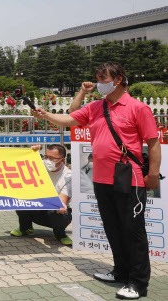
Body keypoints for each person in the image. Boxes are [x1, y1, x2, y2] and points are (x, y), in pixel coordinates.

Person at [32, 62, 160, 300]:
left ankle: (138, 282)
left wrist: (152, 174)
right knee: (113, 227)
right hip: (101, 179)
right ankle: (120, 271)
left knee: (133, 231)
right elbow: (70, 118)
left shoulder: (137, 108)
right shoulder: (95, 107)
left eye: (103, 78)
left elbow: (152, 143)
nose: (99, 83)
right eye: (98, 78)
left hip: (128, 177)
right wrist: (45, 114)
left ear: (118, 79)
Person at [10, 144, 73, 246]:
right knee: (21, 199)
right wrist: (30, 152)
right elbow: (18, 165)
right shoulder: (39, 165)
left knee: (61, 212)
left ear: (62, 160)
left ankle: (60, 235)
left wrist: (62, 205)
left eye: (52, 158)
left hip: (52, 212)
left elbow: (62, 200)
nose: (47, 160)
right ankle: (25, 228)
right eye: (46, 156)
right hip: (36, 208)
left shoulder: (68, 176)